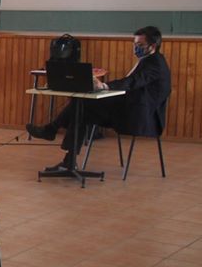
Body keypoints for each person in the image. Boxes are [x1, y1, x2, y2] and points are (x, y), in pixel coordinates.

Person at [27, 26, 172, 171]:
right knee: (81, 108)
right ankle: (67, 159)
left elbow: (133, 81)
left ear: (153, 46)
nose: (136, 48)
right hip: (128, 109)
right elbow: (130, 82)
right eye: (134, 44)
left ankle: (53, 133)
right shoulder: (148, 60)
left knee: (81, 106)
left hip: (140, 117)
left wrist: (104, 86)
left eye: (140, 45)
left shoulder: (155, 63)